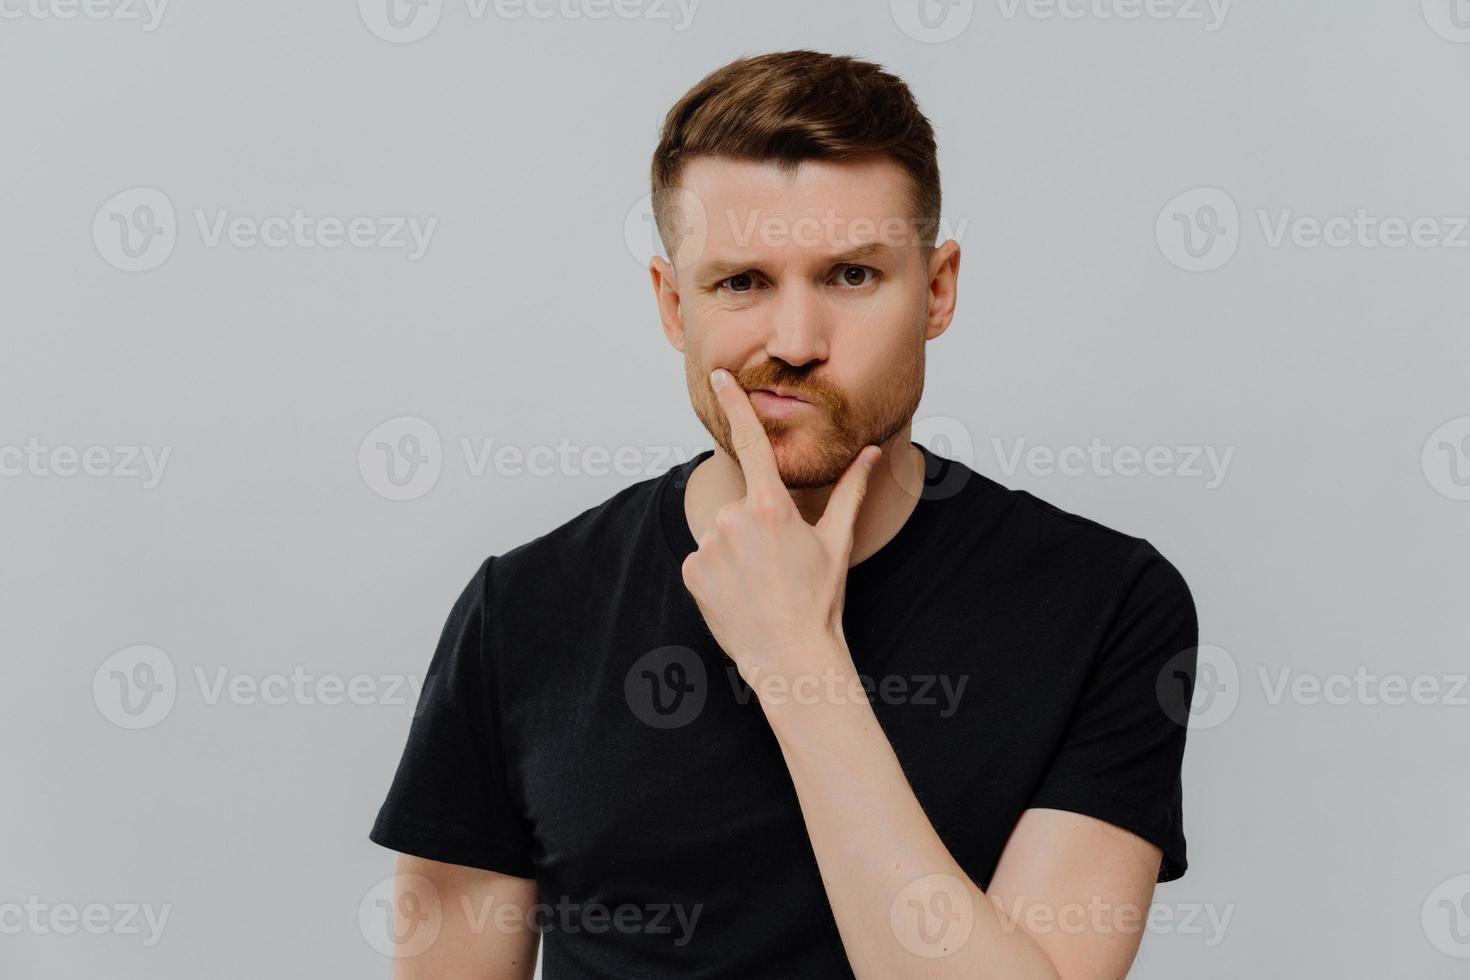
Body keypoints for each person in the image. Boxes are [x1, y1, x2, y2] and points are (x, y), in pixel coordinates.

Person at [369, 49, 1199, 979]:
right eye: (740, 282)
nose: (795, 344)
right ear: (672, 304)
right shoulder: (520, 609)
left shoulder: (1107, 605)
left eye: (850, 276)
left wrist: (799, 664)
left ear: (937, 290)